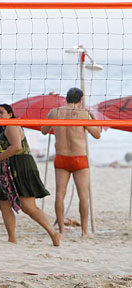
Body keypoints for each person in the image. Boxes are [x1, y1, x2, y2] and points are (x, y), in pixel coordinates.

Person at [0, 104, 60, 246]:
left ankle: (53, 233)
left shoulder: (11, 126)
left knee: (28, 206)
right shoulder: (4, 128)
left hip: (21, 166)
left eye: (2, 112)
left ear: (10, 114)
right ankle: (12, 238)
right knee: (3, 202)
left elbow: (17, 147)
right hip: (8, 168)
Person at [41, 87, 101, 237]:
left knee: (60, 194)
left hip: (61, 157)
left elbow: (44, 130)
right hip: (79, 157)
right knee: (83, 195)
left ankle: (60, 229)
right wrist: (93, 118)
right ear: (80, 100)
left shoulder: (54, 112)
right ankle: (85, 231)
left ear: (66, 98)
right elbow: (97, 135)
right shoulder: (84, 114)